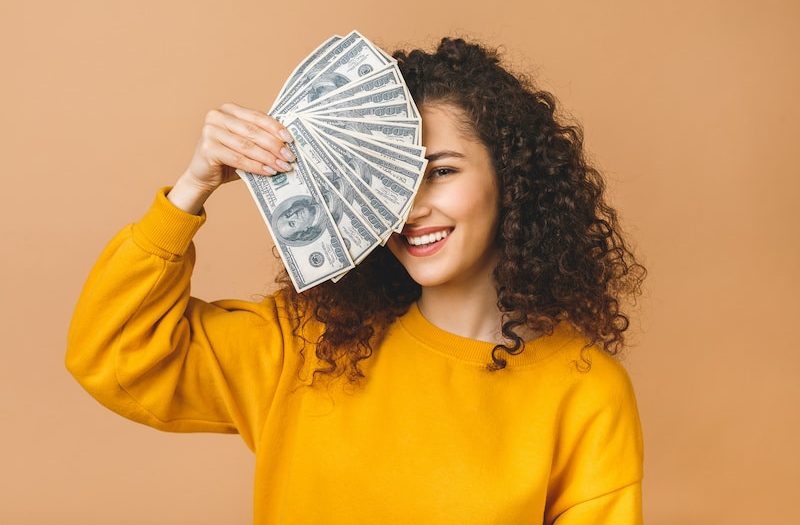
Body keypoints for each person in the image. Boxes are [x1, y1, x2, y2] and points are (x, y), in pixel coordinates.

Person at [65, 36, 648, 524]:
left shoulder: (584, 390)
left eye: (440, 172)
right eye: (392, 178)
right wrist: (191, 190)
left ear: (514, 181)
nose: (411, 207)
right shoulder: (308, 342)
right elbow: (114, 353)